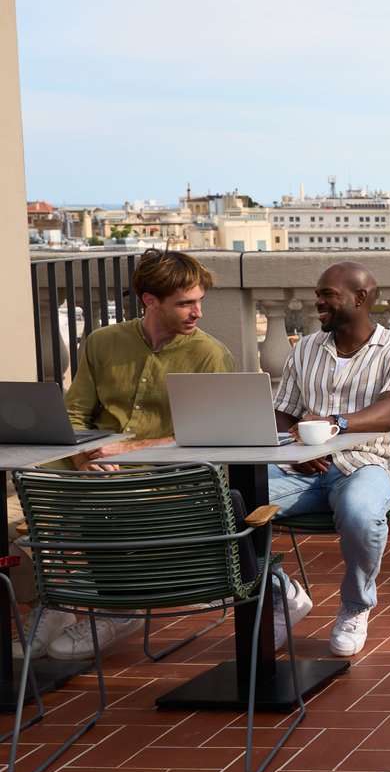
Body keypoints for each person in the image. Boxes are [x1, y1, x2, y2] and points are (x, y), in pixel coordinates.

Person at [10, 248, 234, 664]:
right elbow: (76, 412)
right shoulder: (102, 342)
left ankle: (117, 607)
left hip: (166, 471)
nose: (197, 312)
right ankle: (57, 601)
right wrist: (84, 459)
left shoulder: (210, 355)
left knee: (84, 509)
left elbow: (209, 435)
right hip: (92, 461)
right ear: (150, 300)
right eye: (186, 303)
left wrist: (128, 451)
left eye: (199, 301)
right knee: (31, 497)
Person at [268, 260, 390, 658]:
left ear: (360, 298)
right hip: (303, 469)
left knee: (359, 511)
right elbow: (283, 411)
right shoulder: (304, 349)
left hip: (368, 465)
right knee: (232, 498)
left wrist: (333, 425)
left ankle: (355, 607)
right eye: (318, 294)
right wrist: (297, 444)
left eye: (327, 296)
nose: (318, 302)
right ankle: (280, 594)